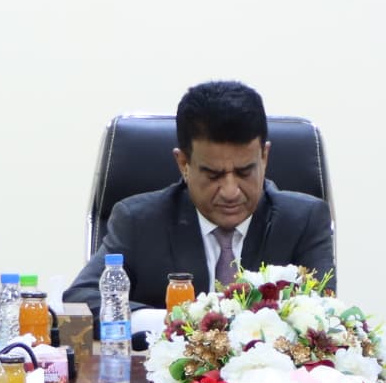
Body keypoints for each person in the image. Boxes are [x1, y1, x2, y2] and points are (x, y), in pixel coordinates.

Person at [64, 79, 337, 310]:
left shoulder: (304, 221)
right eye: (213, 175)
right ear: (183, 163)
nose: (230, 191)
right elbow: (80, 299)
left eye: (244, 172)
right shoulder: (138, 221)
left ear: (264, 157)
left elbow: (324, 313)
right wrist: (171, 323)